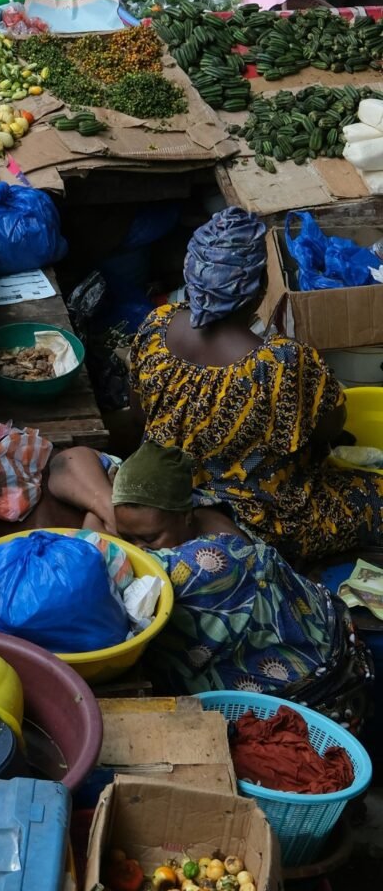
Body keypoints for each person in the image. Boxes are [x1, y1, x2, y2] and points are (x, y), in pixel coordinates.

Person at [48, 440, 374, 727]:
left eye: (149, 537)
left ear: (184, 516)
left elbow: (90, 558)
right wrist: (109, 507)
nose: (140, 548)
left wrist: (106, 521)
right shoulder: (180, 499)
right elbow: (66, 462)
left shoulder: (207, 563)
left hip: (318, 701)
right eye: (129, 535)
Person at [124, 204, 383, 564]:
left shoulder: (156, 328)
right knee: (373, 494)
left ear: (192, 277)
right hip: (259, 521)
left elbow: (139, 417)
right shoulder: (281, 364)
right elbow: (330, 428)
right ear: (260, 288)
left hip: (168, 501)